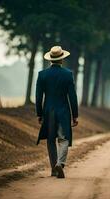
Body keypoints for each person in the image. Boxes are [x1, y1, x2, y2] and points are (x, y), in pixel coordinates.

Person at [35, 46, 78, 178]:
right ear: (62, 59)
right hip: (64, 112)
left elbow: (38, 96)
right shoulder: (68, 74)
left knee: (50, 140)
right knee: (63, 139)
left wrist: (39, 113)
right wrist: (75, 115)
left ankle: (54, 169)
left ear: (50, 59)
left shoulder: (42, 75)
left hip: (48, 111)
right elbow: (72, 97)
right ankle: (60, 163)